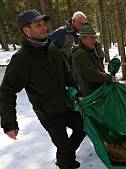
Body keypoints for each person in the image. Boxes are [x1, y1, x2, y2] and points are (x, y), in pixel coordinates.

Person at [0, 10, 85, 169]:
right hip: (48, 112)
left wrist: (77, 92)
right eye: (38, 25)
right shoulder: (22, 59)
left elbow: (66, 72)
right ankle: (66, 162)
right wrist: (9, 122)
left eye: (44, 23)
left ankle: (64, 158)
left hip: (65, 104)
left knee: (82, 128)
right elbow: (7, 90)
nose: (44, 27)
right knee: (64, 146)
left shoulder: (51, 47)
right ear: (26, 30)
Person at [71, 23, 116, 97]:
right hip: (90, 95)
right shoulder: (79, 53)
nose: (94, 40)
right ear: (83, 38)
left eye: (95, 37)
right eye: (92, 38)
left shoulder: (90, 50)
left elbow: (99, 69)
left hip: (97, 92)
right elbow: (91, 74)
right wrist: (108, 78)